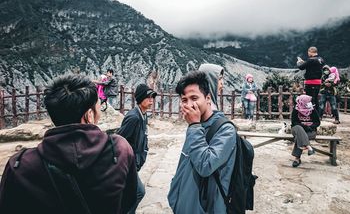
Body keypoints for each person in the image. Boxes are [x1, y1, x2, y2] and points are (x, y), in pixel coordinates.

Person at [0, 74, 137, 214]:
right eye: (98, 106)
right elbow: (129, 201)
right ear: (89, 115)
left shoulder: (20, 166)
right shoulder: (120, 150)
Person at [168, 71, 237, 214]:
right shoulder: (196, 125)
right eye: (184, 100)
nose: (189, 105)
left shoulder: (226, 131)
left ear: (208, 98)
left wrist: (194, 126)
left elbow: (206, 165)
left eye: (194, 98)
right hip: (184, 204)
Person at [117, 84, 157, 214]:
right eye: (148, 97)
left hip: (135, 162)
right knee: (139, 192)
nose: (151, 100)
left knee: (129, 193)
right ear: (140, 98)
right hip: (128, 163)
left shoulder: (143, 115)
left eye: (152, 97)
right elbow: (119, 139)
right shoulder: (134, 117)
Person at [290, 95, 320, 167]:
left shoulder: (312, 109)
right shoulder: (296, 109)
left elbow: (317, 122)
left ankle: (297, 159)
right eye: (307, 101)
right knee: (299, 128)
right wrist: (305, 127)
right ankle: (309, 147)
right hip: (297, 129)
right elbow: (294, 122)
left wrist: (310, 127)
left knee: (300, 137)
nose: (309, 103)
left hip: (310, 131)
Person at [297, 46, 325, 112]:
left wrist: (299, 62)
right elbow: (313, 65)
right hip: (318, 82)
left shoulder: (311, 60)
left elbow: (301, 67)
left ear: (310, 52)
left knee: (310, 99)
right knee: (315, 99)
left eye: (308, 52)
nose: (308, 54)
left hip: (311, 82)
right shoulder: (321, 59)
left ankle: (312, 115)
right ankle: (317, 115)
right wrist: (305, 62)